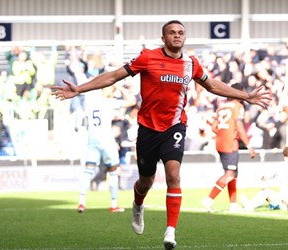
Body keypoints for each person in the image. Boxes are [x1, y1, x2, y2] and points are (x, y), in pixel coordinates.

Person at [51, 20, 271, 250]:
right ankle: (138, 205)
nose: (177, 36)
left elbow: (213, 86)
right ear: (163, 38)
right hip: (147, 128)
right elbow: (114, 76)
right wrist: (80, 89)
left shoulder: (191, 63)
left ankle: (170, 231)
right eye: (172, 33)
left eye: (181, 33)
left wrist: (245, 96)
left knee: (173, 174)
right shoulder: (147, 57)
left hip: (174, 127)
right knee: (145, 180)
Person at [201, 83, 256, 213]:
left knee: (233, 174)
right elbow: (240, 128)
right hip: (230, 144)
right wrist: (248, 145)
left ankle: (233, 204)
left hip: (220, 143)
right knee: (230, 174)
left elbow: (214, 127)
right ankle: (209, 199)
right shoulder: (238, 106)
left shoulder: (221, 107)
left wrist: (223, 133)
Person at [77, 87, 125, 213]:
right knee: (113, 171)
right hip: (106, 140)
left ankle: (81, 203)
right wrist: (121, 88)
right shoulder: (109, 102)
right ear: (105, 90)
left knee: (87, 171)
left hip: (92, 140)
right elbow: (131, 101)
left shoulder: (90, 103)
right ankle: (114, 204)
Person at [240, 146, 288, 211]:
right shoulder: (280, 167)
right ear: (285, 158)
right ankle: (250, 205)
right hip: (284, 197)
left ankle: (285, 204)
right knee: (265, 192)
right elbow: (267, 176)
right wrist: (262, 177)